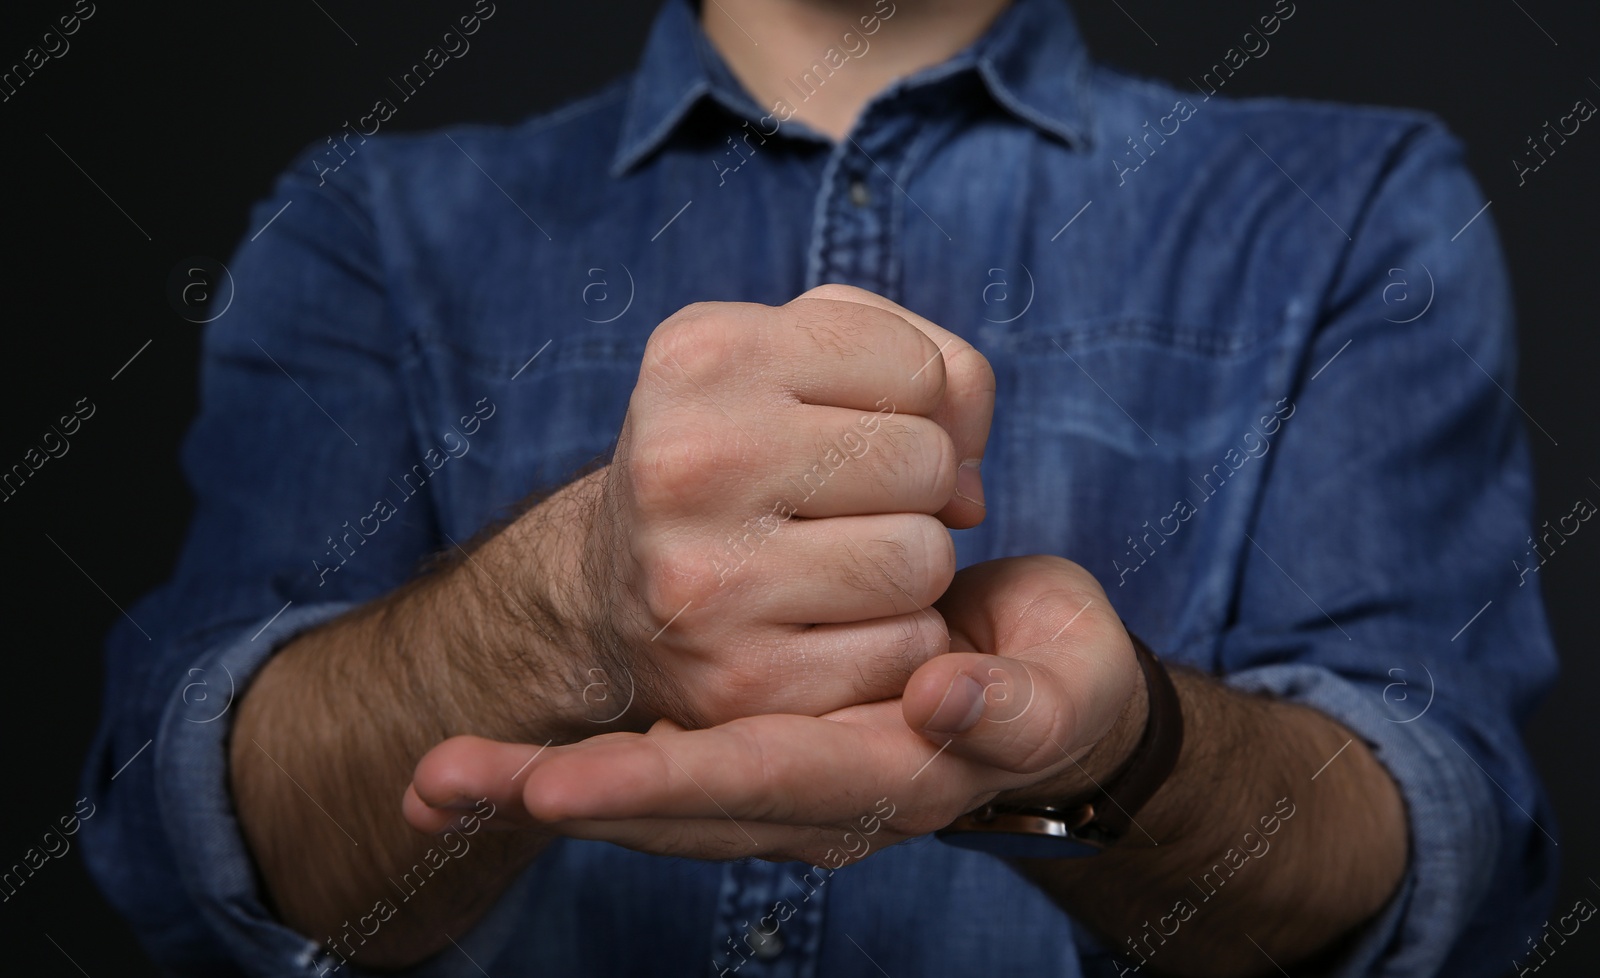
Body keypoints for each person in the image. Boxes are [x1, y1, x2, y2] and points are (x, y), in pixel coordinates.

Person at [81, 0, 1559, 975]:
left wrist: (1123, 756)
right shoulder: (368, 223)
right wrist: (564, 607)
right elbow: (191, 827)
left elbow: (1445, 851)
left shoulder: (1355, 205)